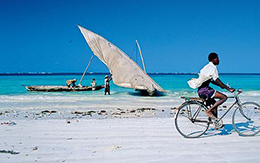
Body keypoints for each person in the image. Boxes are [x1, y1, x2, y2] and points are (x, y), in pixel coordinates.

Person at [188, 52, 235, 119]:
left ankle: (216, 122)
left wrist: (222, 86)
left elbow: (212, 81)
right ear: (213, 59)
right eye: (217, 58)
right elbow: (216, 79)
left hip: (201, 91)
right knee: (224, 97)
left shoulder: (206, 67)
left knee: (214, 104)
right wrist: (228, 88)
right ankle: (208, 111)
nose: (218, 60)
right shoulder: (213, 67)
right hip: (206, 91)